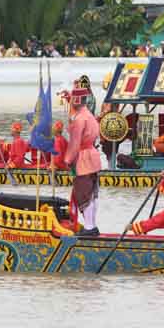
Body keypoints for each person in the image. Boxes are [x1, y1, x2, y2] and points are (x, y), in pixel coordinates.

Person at [65, 86, 102, 237]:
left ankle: (88, 227)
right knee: (92, 194)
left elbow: (74, 143)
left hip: (83, 158)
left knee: (83, 194)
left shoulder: (80, 119)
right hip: (93, 156)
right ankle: (92, 225)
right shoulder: (89, 115)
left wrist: (67, 160)